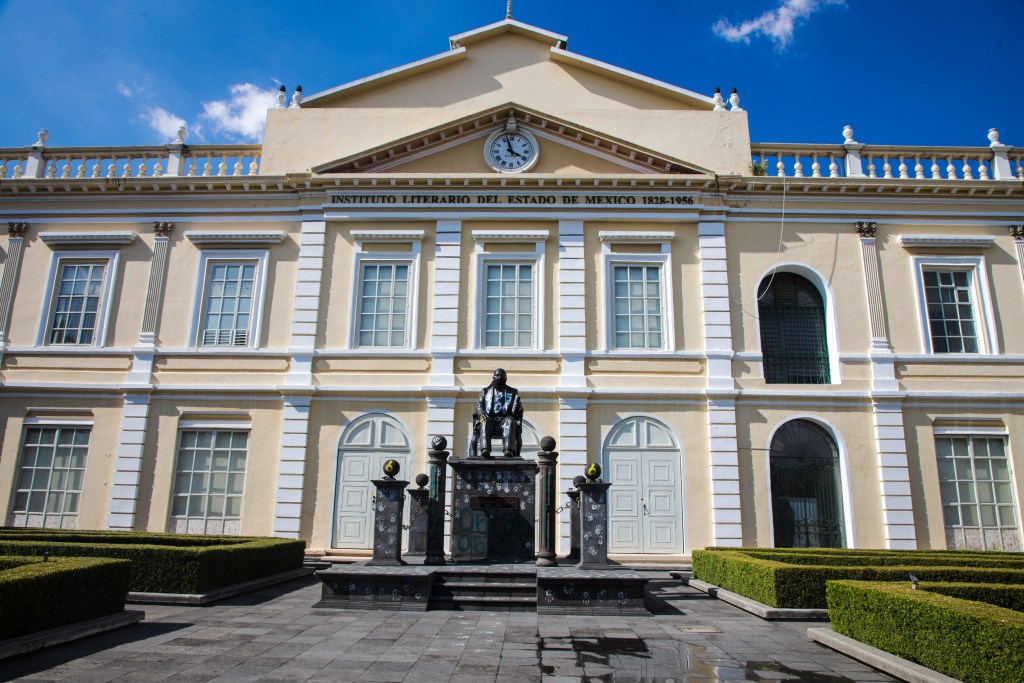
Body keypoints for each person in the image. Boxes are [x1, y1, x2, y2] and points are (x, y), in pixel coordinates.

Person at [474, 368, 523, 458]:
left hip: (505, 418)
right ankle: (485, 449)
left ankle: (508, 450)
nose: (499, 377)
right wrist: (482, 413)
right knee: (484, 420)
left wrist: (519, 406)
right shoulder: (485, 391)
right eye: (497, 375)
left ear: (505, 378)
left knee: (510, 421)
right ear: (493, 377)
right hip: (490, 418)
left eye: (501, 376)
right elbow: (479, 406)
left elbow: (519, 411)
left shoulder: (512, 392)